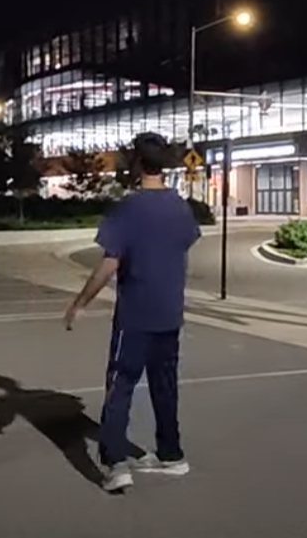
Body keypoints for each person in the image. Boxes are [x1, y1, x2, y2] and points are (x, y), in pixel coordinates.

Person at [63, 132, 202, 492]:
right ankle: (172, 455)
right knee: (165, 386)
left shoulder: (127, 209)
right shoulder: (180, 206)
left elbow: (110, 263)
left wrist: (79, 303)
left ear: (137, 163)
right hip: (170, 314)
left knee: (120, 386)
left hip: (135, 317)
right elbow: (184, 244)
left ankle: (114, 463)